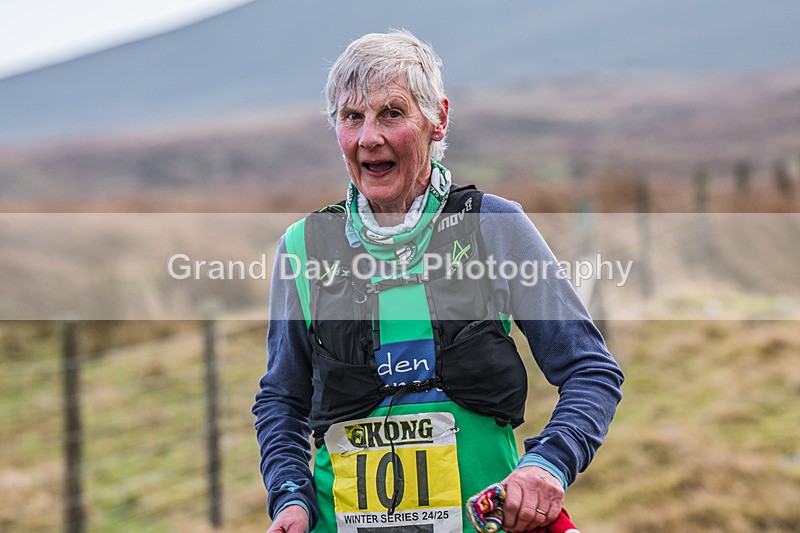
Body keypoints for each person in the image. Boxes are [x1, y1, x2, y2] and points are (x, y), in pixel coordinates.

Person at [253, 30, 623, 533]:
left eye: (392, 113)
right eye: (351, 117)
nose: (369, 138)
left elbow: (591, 370)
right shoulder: (302, 246)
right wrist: (291, 499)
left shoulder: (494, 226)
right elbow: (282, 400)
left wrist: (547, 464)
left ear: (438, 118)